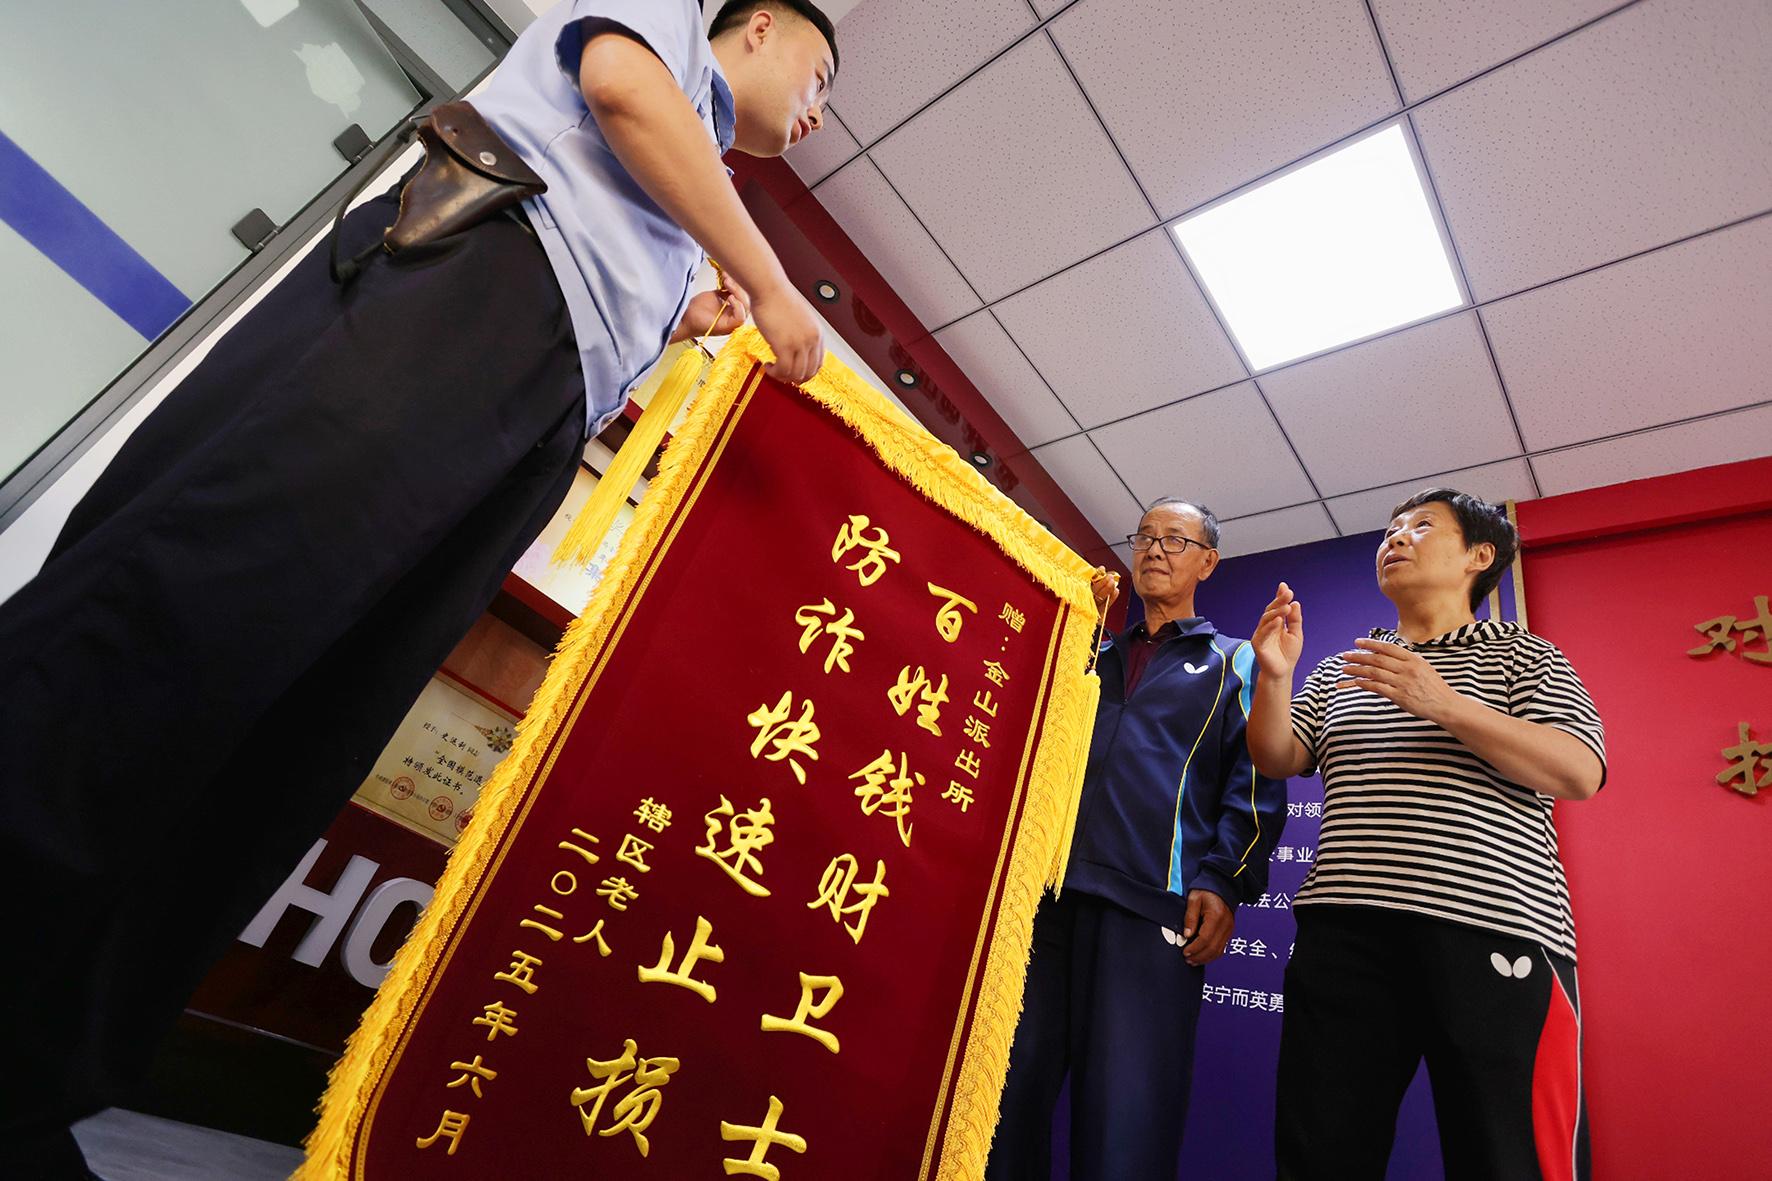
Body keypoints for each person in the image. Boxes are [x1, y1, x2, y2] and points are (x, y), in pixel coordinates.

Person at [0, 3, 837, 1175]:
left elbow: (604, 238)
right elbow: (618, 89)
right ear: (758, 27)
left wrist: (682, 309)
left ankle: (32, 1078)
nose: (817, 113)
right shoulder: (668, 35)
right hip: (460, 303)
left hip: (529, 414)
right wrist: (770, 281)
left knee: (296, 742)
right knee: (183, 627)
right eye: (819, 75)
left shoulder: (690, 204)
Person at [1247, 488, 1606, 1180]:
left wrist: (1441, 702)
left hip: (1495, 931)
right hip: (1344, 931)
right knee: (1320, 1154)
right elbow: (1277, 755)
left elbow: (1579, 769)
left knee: (1511, 1158)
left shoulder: (1525, 655)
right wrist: (1275, 676)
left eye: (1420, 525)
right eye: (1389, 530)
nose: (1396, 537)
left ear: (1480, 555)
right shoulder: (1347, 665)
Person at [986, 498, 1288, 1180]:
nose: (1154, 549)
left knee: (1125, 1126)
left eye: (1175, 539)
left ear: (1208, 562)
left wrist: (1223, 879)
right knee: (1002, 1105)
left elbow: (1256, 781)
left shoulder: (1234, 661)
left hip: (1152, 909)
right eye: (1145, 536)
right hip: (1045, 904)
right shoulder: (1090, 654)